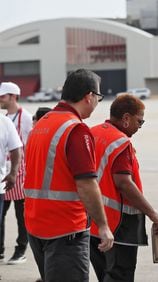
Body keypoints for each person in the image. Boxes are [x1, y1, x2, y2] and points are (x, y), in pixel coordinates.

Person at [24, 69, 114, 282]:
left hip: (36, 225)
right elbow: (86, 184)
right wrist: (102, 225)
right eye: (99, 97)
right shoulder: (76, 130)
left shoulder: (41, 124)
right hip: (65, 230)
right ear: (89, 96)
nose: (97, 102)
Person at [89, 94, 158, 281]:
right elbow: (124, 183)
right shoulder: (120, 142)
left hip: (93, 223)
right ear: (126, 118)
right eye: (139, 121)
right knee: (119, 275)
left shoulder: (92, 133)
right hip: (119, 226)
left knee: (104, 274)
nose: (139, 127)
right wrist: (152, 213)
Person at [0, 82, 32, 264]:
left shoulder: (25, 118)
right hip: (5, 172)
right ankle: (0, 249)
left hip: (20, 173)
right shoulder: (5, 118)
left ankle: (21, 250)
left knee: (22, 215)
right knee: (2, 213)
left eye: (3, 96)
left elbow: (29, 146)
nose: (0, 100)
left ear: (13, 96)